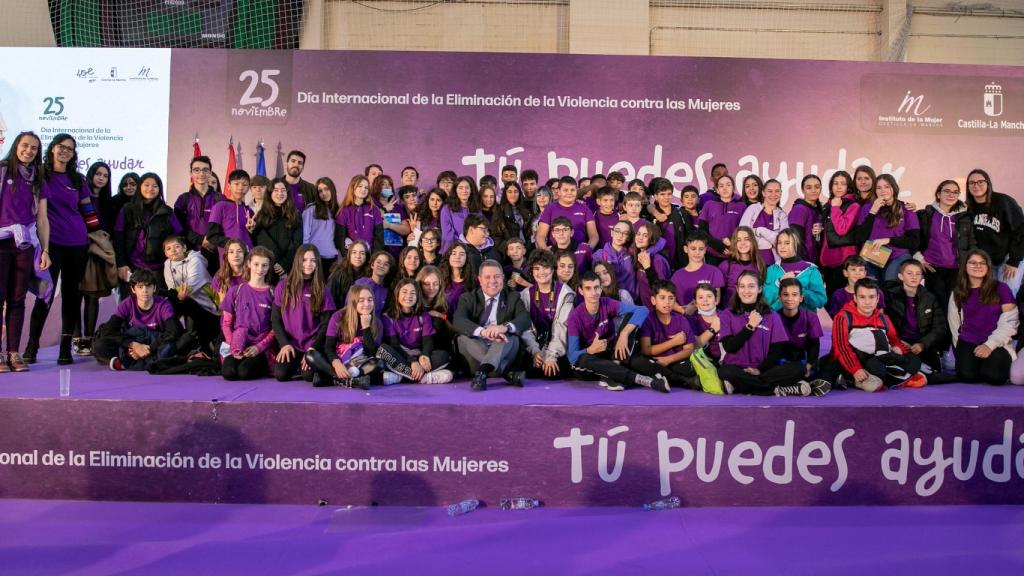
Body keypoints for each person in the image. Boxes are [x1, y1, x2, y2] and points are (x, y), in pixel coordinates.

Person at [24, 134, 101, 365]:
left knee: (71, 296)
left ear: (73, 153)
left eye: (70, 149)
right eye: (61, 147)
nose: (65, 151)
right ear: (52, 149)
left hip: (77, 243)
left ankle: (66, 348)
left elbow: (88, 213)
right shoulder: (39, 175)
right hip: (49, 245)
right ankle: (31, 346)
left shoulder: (77, 180)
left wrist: (99, 238)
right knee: (44, 294)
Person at [718, 271, 826, 396]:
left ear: (759, 289)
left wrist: (759, 370)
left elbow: (777, 351)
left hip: (763, 370)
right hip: (736, 368)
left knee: (798, 368)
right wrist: (750, 327)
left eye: (751, 286)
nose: (746, 290)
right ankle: (775, 389)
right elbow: (730, 347)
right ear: (737, 289)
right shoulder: (727, 314)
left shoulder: (771, 315)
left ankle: (744, 386)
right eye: (742, 286)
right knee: (724, 371)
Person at [565, 271, 667, 392]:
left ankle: (611, 374)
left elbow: (642, 310)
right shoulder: (574, 317)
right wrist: (590, 349)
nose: (593, 293)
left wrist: (624, 334)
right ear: (581, 291)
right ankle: (646, 381)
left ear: (601, 288)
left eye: (596, 287)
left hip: (610, 355)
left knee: (630, 317)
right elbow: (572, 356)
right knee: (583, 359)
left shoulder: (607, 303)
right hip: (589, 362)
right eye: (588, 288)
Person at [0, 132, 49, 373]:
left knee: (17, 300)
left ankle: (13, 352)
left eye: (34, 148)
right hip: (1, 243)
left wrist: (45, 250)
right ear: (16, 146)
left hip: (25, 246)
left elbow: (42, 219)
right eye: (25, 146)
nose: (29, 151)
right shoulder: (2, 170)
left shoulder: (38, 178)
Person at [825, 277, 927, 391]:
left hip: (879, 356)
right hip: (854, 358)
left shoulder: (883, 318)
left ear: (878, 298)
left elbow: (894, 339)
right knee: (876, 367)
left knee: (913, 360)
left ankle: (884, 378)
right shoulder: (843, 317)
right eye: (862, 297)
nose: (867, 302)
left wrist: (899, 349)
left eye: (872, 297)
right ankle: (861, 379)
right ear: (855, 298)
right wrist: (855, 369)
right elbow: (841, 346)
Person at [453, 259, 531, 391]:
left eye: (497, 276)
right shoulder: (467, 298)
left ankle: (483, 371)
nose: (493, 281)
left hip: (503, 347)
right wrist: (483, 332)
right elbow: (459, 320)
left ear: (503, 278)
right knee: (462, 338)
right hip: (476, 350)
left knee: (508, 336)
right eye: (487, 277)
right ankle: (504, 373)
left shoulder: (513, 297)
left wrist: (504, 327)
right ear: (480, 279)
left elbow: (525, 319)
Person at [949, 249, 1018, 385]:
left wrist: (989, 345)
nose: (978, 266)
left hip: (996, 342)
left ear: (988, 267)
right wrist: (961, 350)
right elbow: (954, 323)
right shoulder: (958, 292)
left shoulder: (1001, 288)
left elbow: (1011, 322)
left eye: (982, 263)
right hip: (968, 340)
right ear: (965, 266)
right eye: (973, 263)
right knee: (966, 376)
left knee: (995, 378)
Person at [93, 269, 181, 371]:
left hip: (156, 342)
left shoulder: (163, 305)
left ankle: (123, 362)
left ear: (154, 288)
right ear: (133, 289)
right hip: (133, 342)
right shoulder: (126, 304)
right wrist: (134, 345)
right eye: (140, 287)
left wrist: (149, 348)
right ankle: (142, 360)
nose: (145, 290)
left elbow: (173, 331)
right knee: (99, 345)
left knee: (182, 342)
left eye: (148, 286)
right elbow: (108, 330)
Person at [272, 245, 335, 382]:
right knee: (281, 375)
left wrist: (313, 349)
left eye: (313, 260)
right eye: (304, 260)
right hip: (292, 345)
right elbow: (276, 319)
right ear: (298, 261)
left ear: (317, 263)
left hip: (312, 345)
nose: (308, 264)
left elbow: (326, 324)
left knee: (308, 377)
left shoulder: (322, 289)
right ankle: (298, 365)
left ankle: (318, 368)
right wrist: (284, 344)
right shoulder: (283, 286)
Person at [304, 284, 383, 389]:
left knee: (379, 364)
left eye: (370, 300)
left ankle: (332, 379)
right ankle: (352, 381)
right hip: (338, 359)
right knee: (310, 355)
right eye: (361, 300)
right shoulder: (338, 316)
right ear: (353, 302)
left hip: (359, 363)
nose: (367, 304)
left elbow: (372, 353)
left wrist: (366, 328)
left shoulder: (377, 322)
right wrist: (336, 363)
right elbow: (329, 347)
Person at [627, 279, 701, 392]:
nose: (667, 302)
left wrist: (668, 359)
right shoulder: (648, 319)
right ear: (653, 300)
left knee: (688, 367)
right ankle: (684, 381)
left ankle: (661, 377)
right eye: (662, 298)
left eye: (671, 298)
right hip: (654, 361)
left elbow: (689, 349)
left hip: (675, 361)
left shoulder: (681, 320)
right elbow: (646, 350)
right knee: (636, 361)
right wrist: (674, 342)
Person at [377, 278, 454, 384]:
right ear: (397, 294)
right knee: (383, 350)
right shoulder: (388, 317)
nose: (408, 296)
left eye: (413, 293)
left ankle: (403, 377)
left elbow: (428, 341)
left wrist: (425, 355)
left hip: (419, 356)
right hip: (401, 356)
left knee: (444, 355)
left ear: (417, 296)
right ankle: (424, 378)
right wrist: (412, 361)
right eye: (404, 292)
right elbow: (394, 345)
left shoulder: (424, 315)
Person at [220, 246, 276, 381]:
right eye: (256, 264)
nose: (260, 269)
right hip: (237, 344)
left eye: (264, 265)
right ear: (249, 263)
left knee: (244, 373)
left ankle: (263, 365)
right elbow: (226, 324)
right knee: (229, 373)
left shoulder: (273, 293)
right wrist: (233, 345)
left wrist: (259, 347)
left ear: (269, 267)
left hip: (259, 348)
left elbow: (275, 328)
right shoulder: (235, 291)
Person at [917, 179, 974, 312]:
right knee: (938, 305)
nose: (951, 195)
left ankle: (953, 333)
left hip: (956, 269)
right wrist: (920, 258)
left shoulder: (964, 217)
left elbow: (972, 243)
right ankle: (940, 333)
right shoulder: (925, 215)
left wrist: (968, 265)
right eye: (947, 191)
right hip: (932, 268)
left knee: (953, 306)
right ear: (938, 194)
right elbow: (916, 240)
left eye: (955, 192)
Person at [882, 259, 948, 374]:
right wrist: (898, 342)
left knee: (934, 373)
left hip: (922, 344)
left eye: (918, 273)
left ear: (922, 277)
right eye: (909, 273)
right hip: (898, 343)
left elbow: (940, 327)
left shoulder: (929, 298)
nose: (914, 277)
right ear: (900, 276)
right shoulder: (890, 297)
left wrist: (923, 344)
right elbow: (883, 323)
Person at [964, 168, 1024, 294]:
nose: (976, 186)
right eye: (972, 183)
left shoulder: (1003, 202)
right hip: (986, 261)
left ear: (988, 183)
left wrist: (1014, 260)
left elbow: (1020, 229)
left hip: (1009, 257)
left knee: (1007, 293)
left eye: (980, 182)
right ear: (968, 186)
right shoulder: (967, 208)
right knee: (990, 296)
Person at [855, 174, 920, 282]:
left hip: (897, 255)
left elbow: (914, 241)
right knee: (871, 287)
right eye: (879, 188)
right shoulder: (867, 208)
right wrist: (872, 212)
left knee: (890, 282)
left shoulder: (906, 208)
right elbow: (859, 237)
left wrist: (888, 240)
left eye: (887, 186)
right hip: (871, 256)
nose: (883, 190)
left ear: (893, 188)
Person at [520, 249, 574, 379]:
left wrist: (551, 356)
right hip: (535, 347)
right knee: (527, 367)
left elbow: (562, 327)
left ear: (552, 269)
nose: (541, 272)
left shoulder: (565, 293)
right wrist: (535, 352)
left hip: (558, 348)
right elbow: (525, 328)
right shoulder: (525, 294)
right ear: (532, 272)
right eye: (537, 268)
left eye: (545, 268)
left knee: (554, 371)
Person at [162, 235, 219, 354]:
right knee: (166, 306)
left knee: (197, 325)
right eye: (169, 248)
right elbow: (171, 287)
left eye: (176, 246)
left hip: (208, 305)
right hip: (186, 300)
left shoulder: (195, 259)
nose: (173, 250)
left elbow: (191, 285)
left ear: (184, 248)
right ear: (165, 253)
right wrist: (176, 295)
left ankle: (201, 347)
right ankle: (170, 344)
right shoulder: (167, 264)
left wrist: (177, 295)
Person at [173, 155, 223, 276]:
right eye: (196, 170)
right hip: (190, 254)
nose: (201, 173)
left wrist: (212, 241)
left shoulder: (220, 199)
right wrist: (201, 240)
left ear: (210, 173)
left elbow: (225, 227)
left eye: (205, 170)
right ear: (191, 173)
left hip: (215, 254)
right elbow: (178, 228)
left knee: (215, 292)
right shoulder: (183, 199)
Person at [763, 228, 826, 311]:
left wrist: (799, 291)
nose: (782, 246)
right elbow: (764, 300)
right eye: (779, 243)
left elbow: (820, 301)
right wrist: (778, 283)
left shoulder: (811, 270)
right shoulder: (771, 270)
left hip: (804, 321)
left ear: (796, 244)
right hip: (778, 322)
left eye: (787, 243)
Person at [819, 170, 860, 297]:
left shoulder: (853, 205)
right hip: (828, 259)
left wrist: (836, 208)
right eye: (835, 183)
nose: (839, 186)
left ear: (848, 186)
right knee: (830, 297)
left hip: (844, 260)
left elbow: (842, 229)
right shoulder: (827, 204)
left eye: (843, 183)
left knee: (842, 297)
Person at [252, 178, 302, 280]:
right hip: (267, 265)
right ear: (270, 193)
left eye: (283, 190)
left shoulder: (295, 214)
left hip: (288, 266)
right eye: (276, 190)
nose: (280, 193)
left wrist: (284, 263)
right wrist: (274, 262)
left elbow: (297, 242)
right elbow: (259, 240)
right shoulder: (261, 215)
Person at [535, 176, 599, 250]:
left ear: (577, 190)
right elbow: (540, 236)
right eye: (565, 190)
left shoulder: (584, 208)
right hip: (556, 255)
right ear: (559, 191)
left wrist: (586, 251)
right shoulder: (550, 209)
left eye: (572, 190)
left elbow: (594, 236)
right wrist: (547, 252)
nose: (569, 193)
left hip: (579, 255)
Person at [777, 278, 823, 379]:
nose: (790, 298)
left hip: (803, 360)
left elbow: (814, 346)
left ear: (801, 297)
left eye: (794, 294)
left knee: (823, 366)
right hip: (780, 361)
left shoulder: (811, 317)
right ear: (779, 297)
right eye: (785, 294)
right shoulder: (773, 318)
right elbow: (771, 350)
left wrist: (809, 365)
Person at [670, 233, 724, 311]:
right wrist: (682, 310)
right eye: (693, 249)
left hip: (708, 318)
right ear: (686, 249)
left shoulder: (714, 272)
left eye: (701, 249)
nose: (697, 252)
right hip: (686, 318)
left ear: (705, 250)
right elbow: (670, 299)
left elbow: (717, 299)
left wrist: (694, 306)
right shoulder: (677, 276)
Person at [698, 174, 745, 265]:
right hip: (712, 252)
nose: (725, 188)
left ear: (733, 188)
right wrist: (717, 245)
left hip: (734, 252)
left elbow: (744, 229)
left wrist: (731, 241)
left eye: (728, 185)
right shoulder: (709, 204)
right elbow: (701, 230)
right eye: (721, 186)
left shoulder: (741, 206)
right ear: (717, 190)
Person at [739, 178, 788, 265]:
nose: (773, 194)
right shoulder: (752, 209)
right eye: (770, 191)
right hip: (751, 260)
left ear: (780, 193)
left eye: (777, 191)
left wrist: (760, 230)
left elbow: (783, 242)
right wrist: (771, 242)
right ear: (763, 193)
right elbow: (742, 235)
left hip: (774, 263)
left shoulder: (782, 216)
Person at [206, 169, 255, 255]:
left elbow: (253, 238)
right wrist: (233, 245)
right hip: (229, 257)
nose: (240, 187)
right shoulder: (219, 206)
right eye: (236, 184)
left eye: (245, 184)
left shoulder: (249, 211)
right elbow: (212, 236)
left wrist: (252, 231)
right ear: (228, 186)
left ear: (248, 188)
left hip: (248, 257)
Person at [302, 176, 345, 273]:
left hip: (332, 258)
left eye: (326, 189)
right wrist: (306, 256)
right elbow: (304, 236)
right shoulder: (311, 209)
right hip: (315, 257)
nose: (323, 193)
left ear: (332, 189)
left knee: (328, 288)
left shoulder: (338, 211)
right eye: (320, 191)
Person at [717, 226, 765, 306]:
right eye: (738, 240)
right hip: (731, 313)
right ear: (734, 243)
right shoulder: (726, 266)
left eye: (747, 239)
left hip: (753, 312)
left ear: (752, 241)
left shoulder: (760, 264)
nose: (743, 243)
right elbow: (719, 294)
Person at [337, 175, 384, 252]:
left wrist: (374, 256)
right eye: (360, 186)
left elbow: (379, 237)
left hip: (370, 256)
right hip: (351, 258)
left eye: (366, 187)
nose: (363, 189)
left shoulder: (374, 209)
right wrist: (348, 257)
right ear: (352, 188)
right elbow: (340, 238)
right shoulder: (344, 211)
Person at [633, 221, 671, 311]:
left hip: (657, 311)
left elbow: (662, 289)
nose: (640, 238)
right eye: (638, 234)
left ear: (652, 239)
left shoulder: (657, 260)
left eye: (645, 235)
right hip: (645, 309)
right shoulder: (640, 255)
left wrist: (648, 267)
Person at [788, 174, 824, 264]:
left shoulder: (819, 210)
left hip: (816, 260)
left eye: (817, 187)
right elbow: (795, 240)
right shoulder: (799, 209)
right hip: (804, 261)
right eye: (809, 187)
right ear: (802, 190)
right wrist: (800, 263)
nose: (813, 190)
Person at [440, 176, 481, 252]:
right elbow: (448, 235)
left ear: (471, 190)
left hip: (473, 250)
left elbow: (480, 230)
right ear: (455, 190)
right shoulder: (447, 209)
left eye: (467, 188)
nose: (464, 190)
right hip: (452, 250)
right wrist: (464, 244)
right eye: (460, 188)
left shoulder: (476, 209)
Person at [593, 221, 636, 293]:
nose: (620, 236)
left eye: (625, 233)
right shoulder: (599, 254)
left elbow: (660, 242)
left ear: (628, 237)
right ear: (612, 233)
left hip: (629, 298)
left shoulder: (632, 253)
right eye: (617, 231)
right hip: (608, 297)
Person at [327, 240, 369, 309]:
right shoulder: (339, 274)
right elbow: (329, 299)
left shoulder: (369, 275)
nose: (358, 256)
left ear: (366, 256)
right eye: (354, 252)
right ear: (349, 255)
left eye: (362, 253)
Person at [354, 250, 393, 316]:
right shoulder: (360, 283)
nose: (381, 265)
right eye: (378, 262)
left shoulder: (386, 291)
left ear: (389, 269)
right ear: (372, 265)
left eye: (386, 264)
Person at [211, 239, 247, 307]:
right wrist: (222, 302)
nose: (235, 255)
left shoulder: (252, 274)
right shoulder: (220, 276)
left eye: (239, 251)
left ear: (245, 254)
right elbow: (216, 305)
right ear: (226, 256)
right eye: (231, 252)